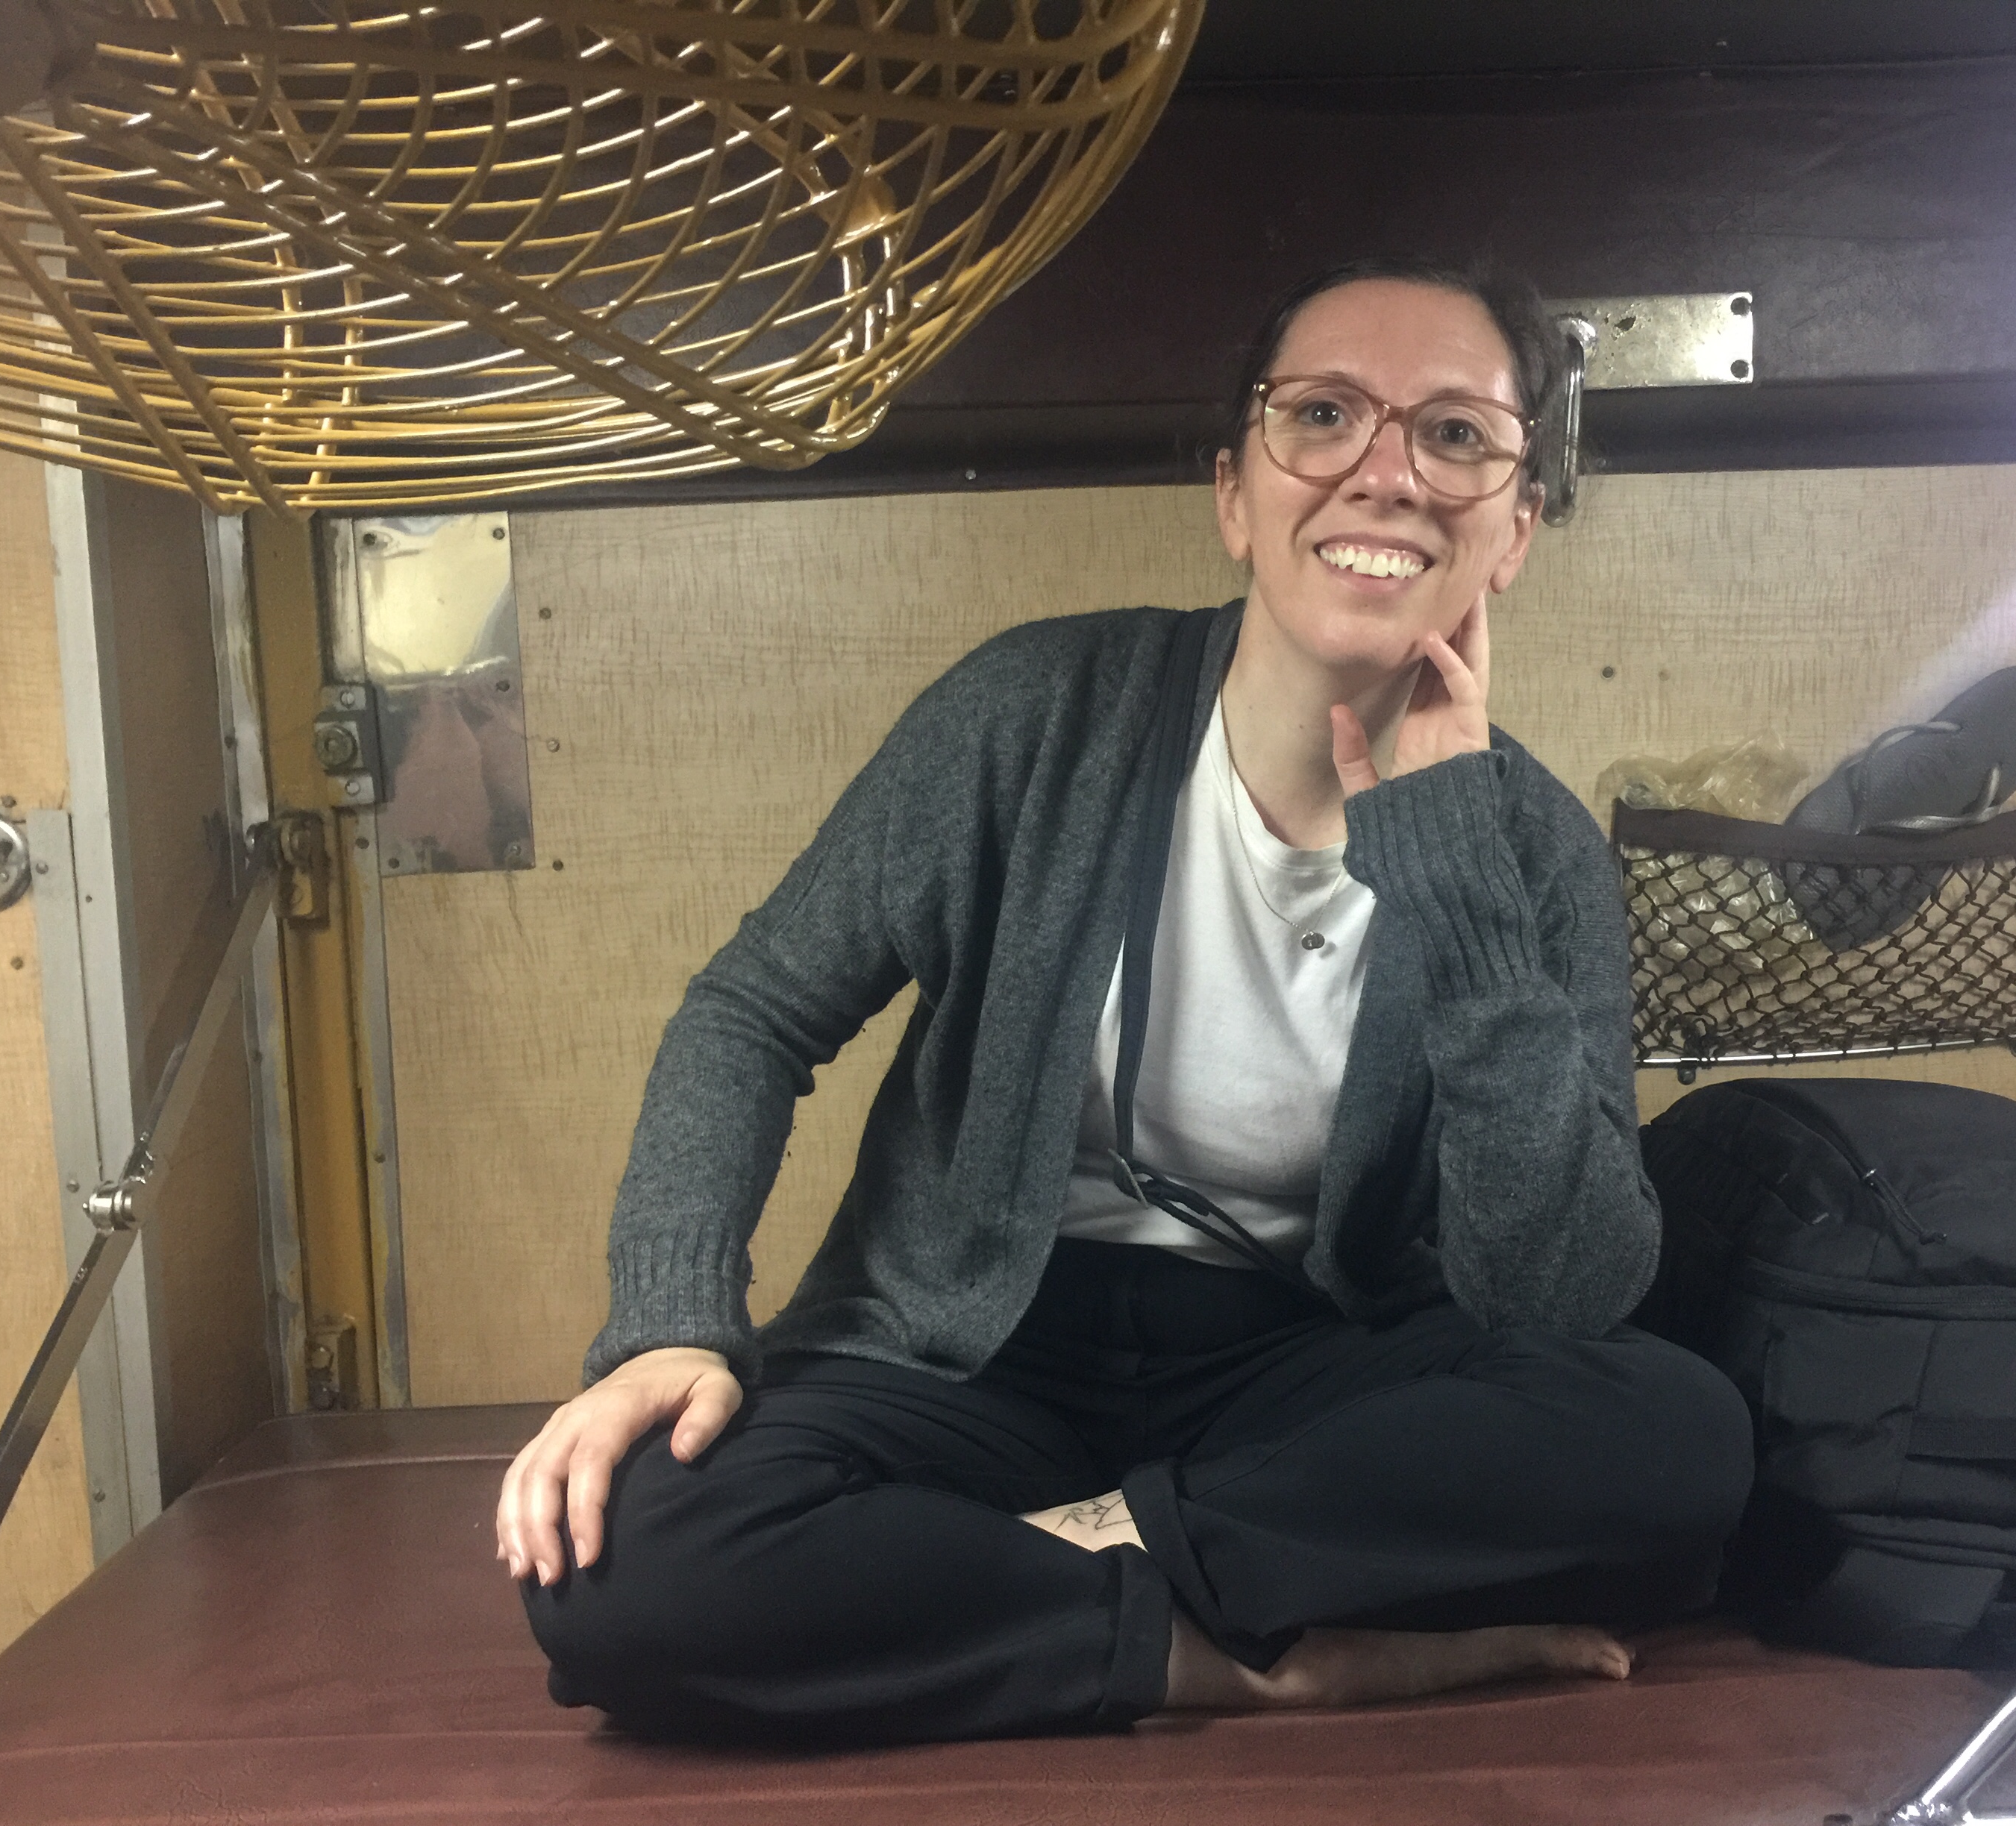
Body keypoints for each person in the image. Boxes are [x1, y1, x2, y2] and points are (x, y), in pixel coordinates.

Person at [495, 255, 1754, 1746]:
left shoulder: (1533, 849)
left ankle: (1038, 1579)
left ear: (1516, 527)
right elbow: (752, 1012)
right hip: (977, 1349)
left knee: (1679, 1440)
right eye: (1324, 414)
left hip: (1303, 1370)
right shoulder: (1037, 712)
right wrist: (670, 1327)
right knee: (623, 1560)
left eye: (1456, 434)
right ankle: (1245, 1653)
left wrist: (1457, 876)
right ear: (1235, 493)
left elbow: (1567, 1299)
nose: (1385, 473)